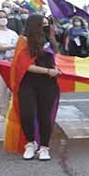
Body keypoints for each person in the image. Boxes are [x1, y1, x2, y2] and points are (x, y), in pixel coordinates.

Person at [3, 15, 61, 160]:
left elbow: (56, 59)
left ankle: (44, 148)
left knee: (44, 116)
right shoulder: (23, 41)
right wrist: (48, 71)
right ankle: (30, 144)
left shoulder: (49, 41)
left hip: (48, 84)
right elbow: (25, 66)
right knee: (26, 114)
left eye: (48, 24)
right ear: (34, 26)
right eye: (43, 24)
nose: (46, 27)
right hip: (27, 83)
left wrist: (56, 68)